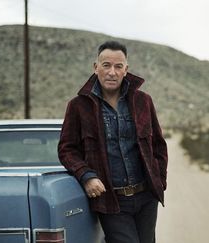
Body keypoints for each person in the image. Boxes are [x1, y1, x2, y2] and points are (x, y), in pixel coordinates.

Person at [58, 40, 168, 243]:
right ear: (95, 67)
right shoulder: (79, 106)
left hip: (146, 197)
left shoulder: (143, 101)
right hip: (111, 200)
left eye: (118, 66)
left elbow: (159, 145)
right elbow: (67, 149)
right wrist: (86, 176)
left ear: (126, 70)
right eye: (106, 65)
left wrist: (159, 179)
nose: (112, 72)